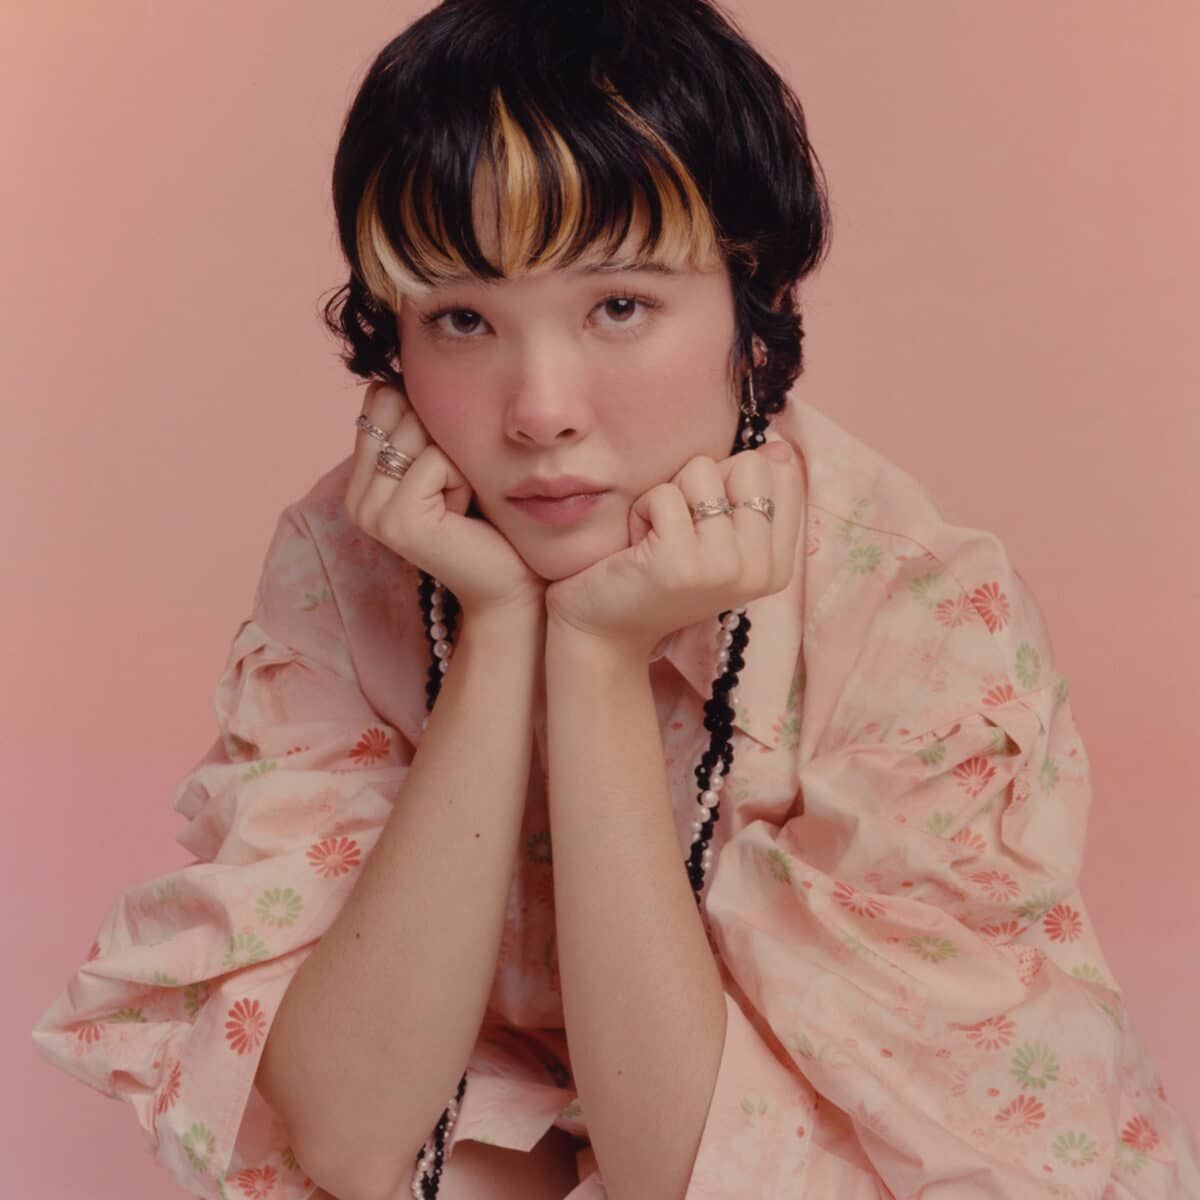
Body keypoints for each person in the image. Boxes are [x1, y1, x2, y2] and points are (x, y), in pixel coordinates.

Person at [31, 1, 1200, 1198]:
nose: (541, 410)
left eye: (620, 306)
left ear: (750, 305)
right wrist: (501, 631)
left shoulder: (911, 612)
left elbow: (696, 1177)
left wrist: (594, 655)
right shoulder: (357, 561)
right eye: (463, 319)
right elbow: (345, 1133)